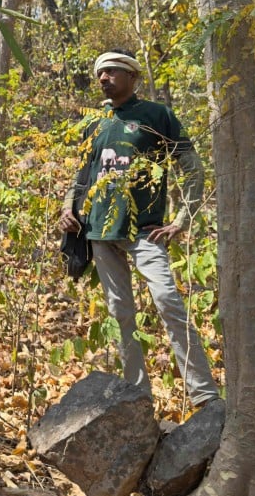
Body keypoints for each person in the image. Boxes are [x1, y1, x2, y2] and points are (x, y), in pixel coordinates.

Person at [60, 49, 220, 408]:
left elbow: (191, 165)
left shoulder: (157, 115)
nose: (104, 78)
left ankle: (204, 395)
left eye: (113, 71)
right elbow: (83, 173)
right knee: (120, 312)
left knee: (168, 302)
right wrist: (68, 208)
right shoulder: (95, 121)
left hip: (146, 230)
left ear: (133, 77)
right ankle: (137, 395)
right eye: (100, 72)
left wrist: (182, 220)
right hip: (99, 232)